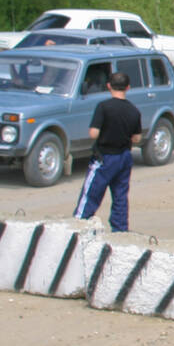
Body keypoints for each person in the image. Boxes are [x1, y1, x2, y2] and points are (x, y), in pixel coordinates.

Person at [73, 72, 142, 232]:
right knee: (120, 195)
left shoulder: (104, 107)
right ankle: (120, 229)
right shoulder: (133, 110)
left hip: (105, 156)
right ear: (128, 87)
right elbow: (137, 138)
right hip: (124, 156)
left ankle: (80, 222)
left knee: (92, 192)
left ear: (109, 86)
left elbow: (93, 133)